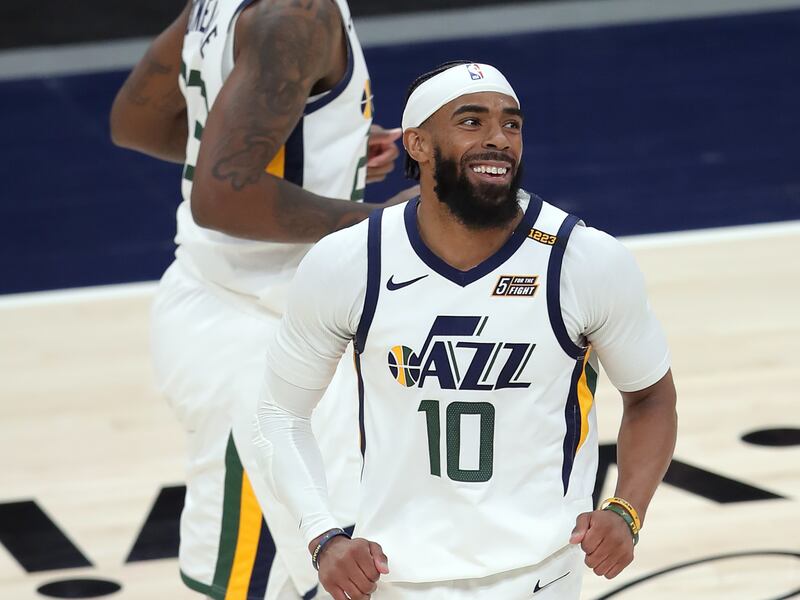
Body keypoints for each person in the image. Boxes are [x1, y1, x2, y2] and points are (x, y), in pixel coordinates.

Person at [252, 61, 678, 600]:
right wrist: (322, 536)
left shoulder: (584, 260)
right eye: (472, 122)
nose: (499, 138)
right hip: (394, 577)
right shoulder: (350, 261)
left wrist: (627, 509)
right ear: (417, 143)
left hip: (544, 573)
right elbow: (280, 413)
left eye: (511, 124)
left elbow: (651, 398)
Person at [109, 1, 415, 598]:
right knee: (310, 579)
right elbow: (222, 194)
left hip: (218, 305)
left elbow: (137, 122)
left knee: (300, 576)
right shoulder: (296, 16)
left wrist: (324, 151)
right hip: (262, 336)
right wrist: (384, 224)